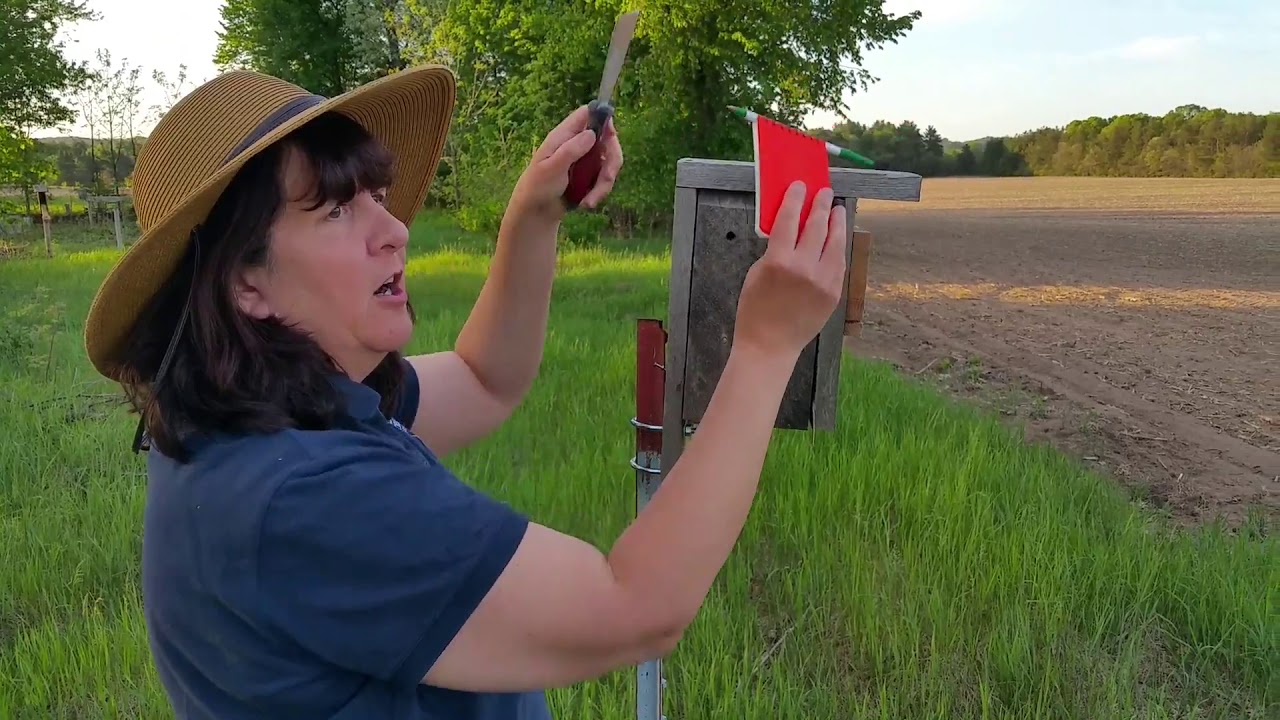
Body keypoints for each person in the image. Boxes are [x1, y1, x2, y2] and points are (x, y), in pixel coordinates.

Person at [84, 65, 847, 719]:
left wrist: (533, 214)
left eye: (379, 196)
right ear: (243, 281)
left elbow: (486, 379)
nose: (395, 231)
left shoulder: (266, 421)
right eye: (338, 209)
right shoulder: (304, 499)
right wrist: (767, 344)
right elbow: (636, 608)